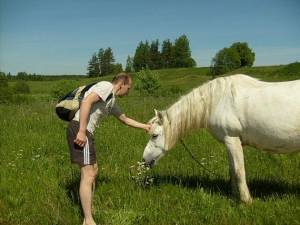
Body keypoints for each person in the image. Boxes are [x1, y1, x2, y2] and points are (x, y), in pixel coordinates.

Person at [66, 73, 150, 225]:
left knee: (94, 171)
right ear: (121, 84)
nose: (128, 92)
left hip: (86, 132)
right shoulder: (106, 87)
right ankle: (88, 220)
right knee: (88, 174)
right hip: (81, 129)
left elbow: (125, 119)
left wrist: (146, 126)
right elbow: (86, 101)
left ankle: (88, 209)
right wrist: (82, 131)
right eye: (128, 88)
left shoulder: (110, 100)